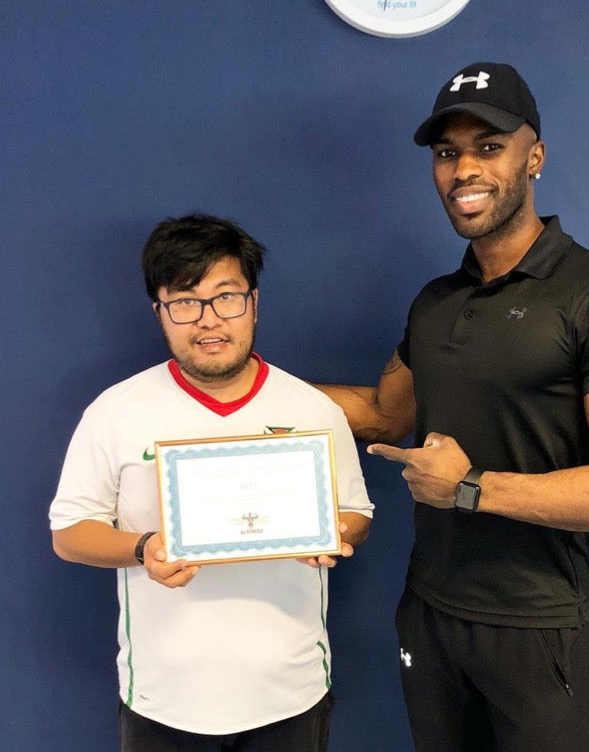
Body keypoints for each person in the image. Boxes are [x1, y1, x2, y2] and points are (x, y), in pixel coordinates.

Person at [315, 62, 589, 751]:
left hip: (534, 622)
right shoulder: (435, 302)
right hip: (430, 611)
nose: (464, 169)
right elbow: (384, 414)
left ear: (534, 156)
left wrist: (470, 489)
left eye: (488, 147)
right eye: (447, 152)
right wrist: (249, 384)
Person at [50, 214, 373, 752]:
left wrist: (328, 532)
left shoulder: (312, 409)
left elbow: (358, 514)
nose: (208, 320)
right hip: (163, 697)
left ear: (253, 302)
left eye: (226, 297)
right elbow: (69, 533)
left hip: (290, 692)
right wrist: (145, 548)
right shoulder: (116, 410)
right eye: (184, 302)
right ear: (159, 311)